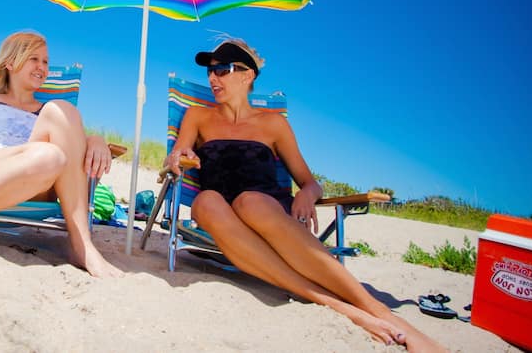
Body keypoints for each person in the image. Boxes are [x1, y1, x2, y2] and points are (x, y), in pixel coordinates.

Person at [165, 38, 443, 351]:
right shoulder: (197, 116)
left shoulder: (273, 123)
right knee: (207, 200)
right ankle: (336, 304)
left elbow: (309, 182)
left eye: (222, 69)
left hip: (265, 213)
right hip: (218, 218)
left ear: (247, 75)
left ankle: (374, 309)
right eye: (210, 71)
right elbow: (177, 156)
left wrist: (306, 196)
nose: (213, 77)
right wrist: (179, 156)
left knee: (251, 202)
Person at [0, 31, 122, 278]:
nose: (42, 67)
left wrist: (95, 140)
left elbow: (71, 154)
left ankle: (82, 245)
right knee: (50, 154)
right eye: (34, 59)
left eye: (46, 61)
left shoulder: (49, 113)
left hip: (36, 181)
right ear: (9, 62)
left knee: (58, 124)